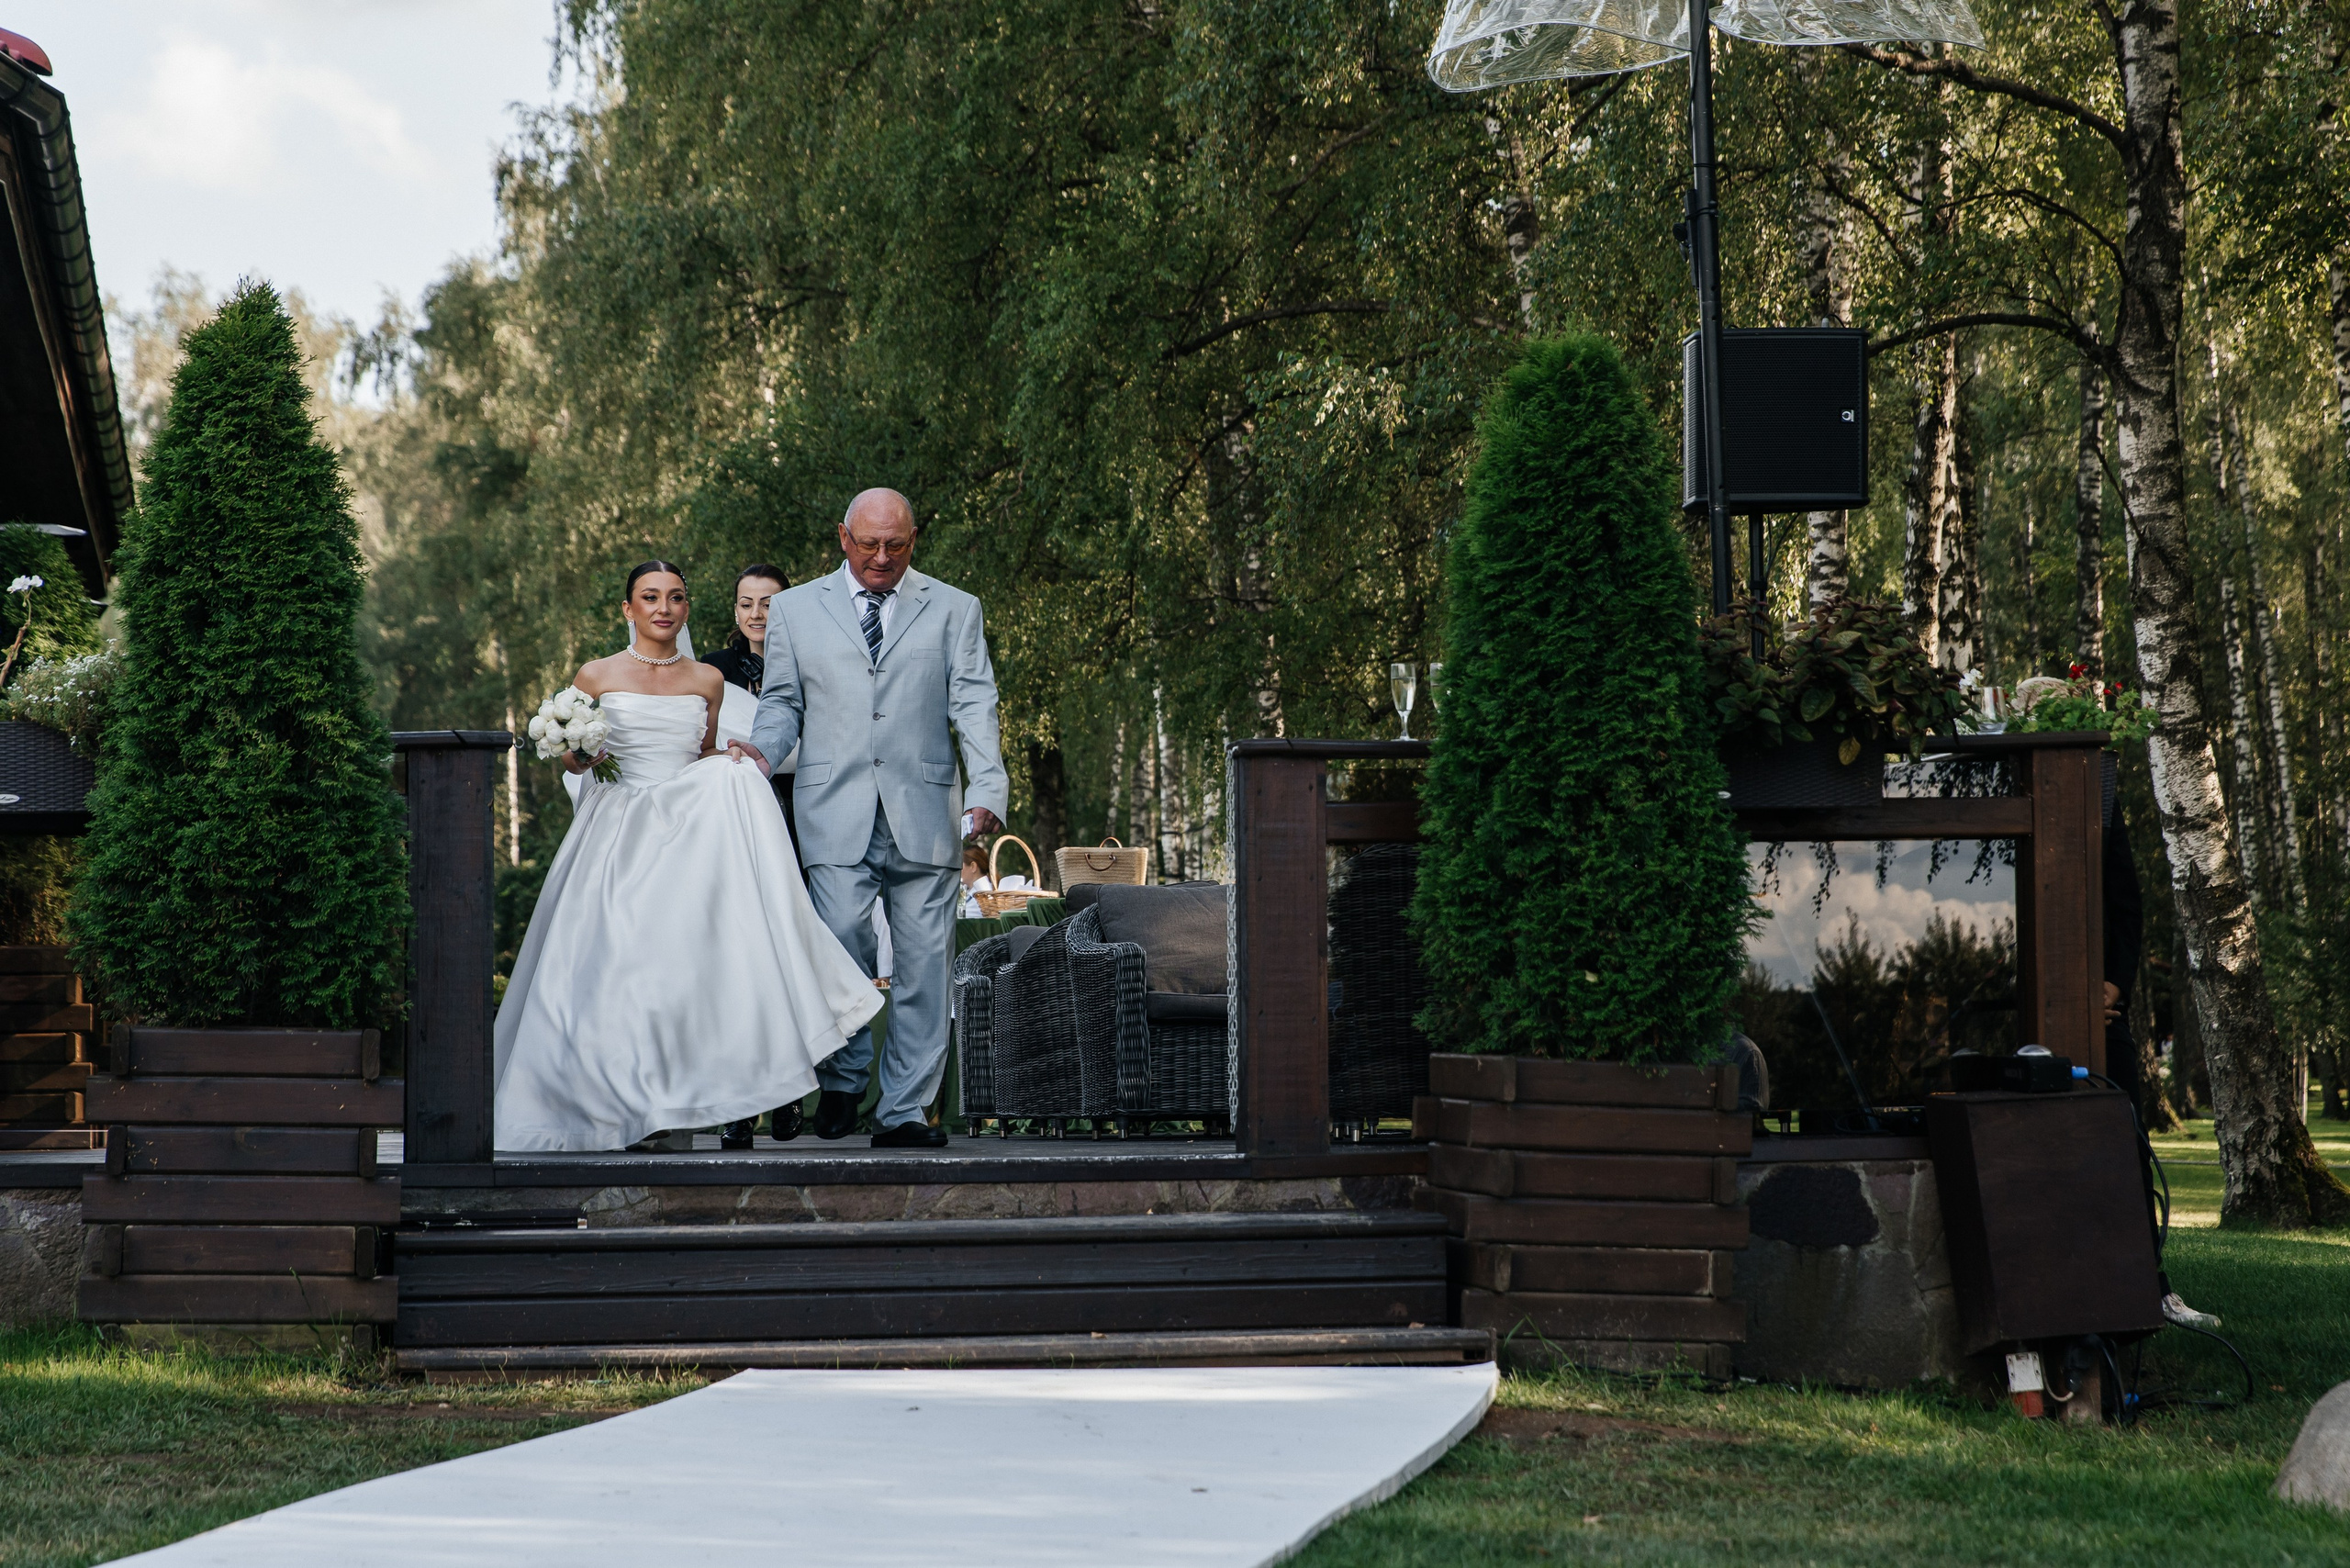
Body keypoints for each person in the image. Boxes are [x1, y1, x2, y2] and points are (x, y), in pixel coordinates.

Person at [493, 561, 884, 1152]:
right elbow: (572, 759)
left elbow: (700, 754)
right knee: (611, 965)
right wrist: (578, 755)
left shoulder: (707, 680)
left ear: (687, 609)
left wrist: (732, 770)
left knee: (678, 970)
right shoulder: (595, 675)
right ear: (628, 609)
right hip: (617, 830)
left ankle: (673, 1102)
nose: (663, 608)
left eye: (675, 597)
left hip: (683, 835)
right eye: (649, 597)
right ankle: (605, 1105)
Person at [733, 488, 1008, 1149]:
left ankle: (904, 1111)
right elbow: (781, 704)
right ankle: (846, 1076)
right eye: (868, 544)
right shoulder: (795, 610)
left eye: (897, 545)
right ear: (842, 537)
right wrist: (758, 753)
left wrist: (989, 786)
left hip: (926, 810)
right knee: (841, 948)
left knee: (923, 967)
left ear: (914, 540)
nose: (881, 557)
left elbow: (974, 702)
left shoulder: (954, 608)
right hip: (833, 809)